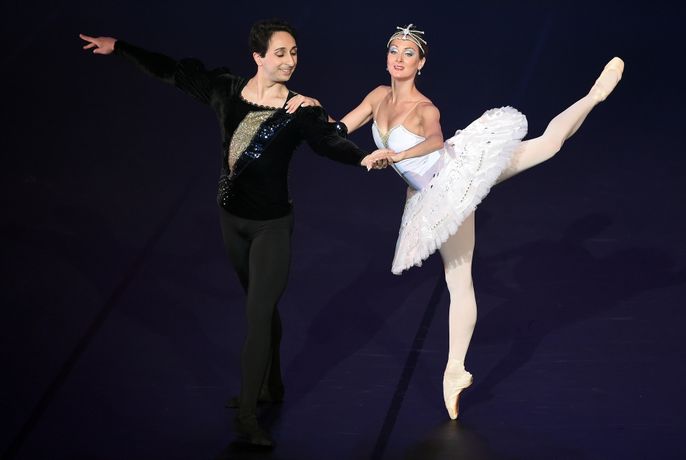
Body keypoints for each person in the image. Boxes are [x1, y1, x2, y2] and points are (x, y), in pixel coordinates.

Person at [79, 19, 389, 447]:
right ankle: (272, 385)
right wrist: (121, 47)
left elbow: (328, 141)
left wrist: (362, 159)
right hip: (232, 222)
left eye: (294, 53)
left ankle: (247, 414)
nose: (289, 61)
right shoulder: (225, 90)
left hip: (272, 228)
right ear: (258, 57)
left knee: (257, 314)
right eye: (280, 53)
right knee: (260, 306)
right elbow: (173, 70)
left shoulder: (301, 109)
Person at [341, 24, 623, 420]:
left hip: (455, 177)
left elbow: (436, 143)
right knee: (460, 280)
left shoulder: (425, 108)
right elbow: (340, 127)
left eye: (408, 53)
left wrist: (392, 156)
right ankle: (456, 371)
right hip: (426, 194)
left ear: (420, 64)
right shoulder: (377, 96)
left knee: (547, 146)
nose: (399, 58)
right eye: (394, 50)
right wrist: (309, 119)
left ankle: (594, 95)